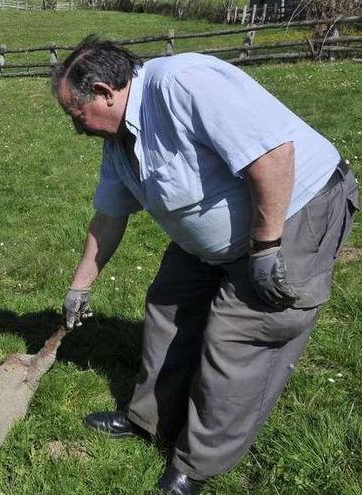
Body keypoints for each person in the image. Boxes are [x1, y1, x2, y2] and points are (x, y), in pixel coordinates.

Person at [51, 35, 358, 494]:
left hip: (291, 210)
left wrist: (267, 247)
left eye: (77, 116)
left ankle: (194, 466)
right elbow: (108, 218)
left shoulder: (183, 83)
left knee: (240, 337)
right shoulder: (117, 143)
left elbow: (274, 157)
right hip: (217, 236)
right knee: (168, 310)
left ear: (103, 92)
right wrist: (80, 286)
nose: (77, 127)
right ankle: (148, 420)